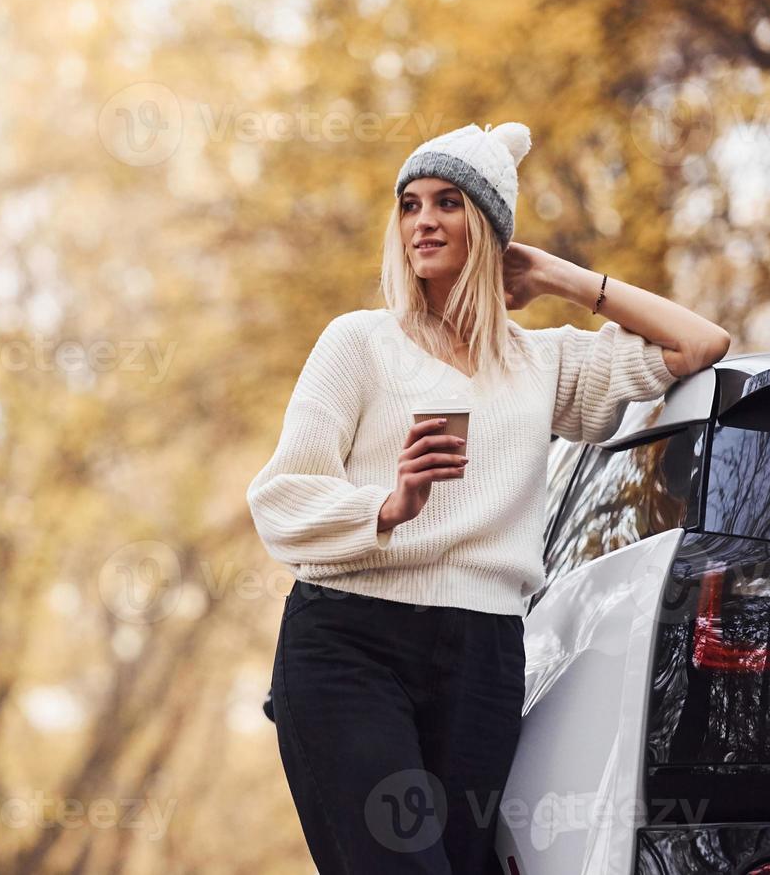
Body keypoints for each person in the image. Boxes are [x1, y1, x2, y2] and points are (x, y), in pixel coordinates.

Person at [245, 121, 731, 874]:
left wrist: (560, 278)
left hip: (484, 652)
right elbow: (280, 497)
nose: (422, 221)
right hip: (349, 644)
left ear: (489, 227)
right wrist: (388, 505)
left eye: (447, 202)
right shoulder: (358, 342)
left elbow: (698, 345)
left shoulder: (539, 363)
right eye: (408, 205)